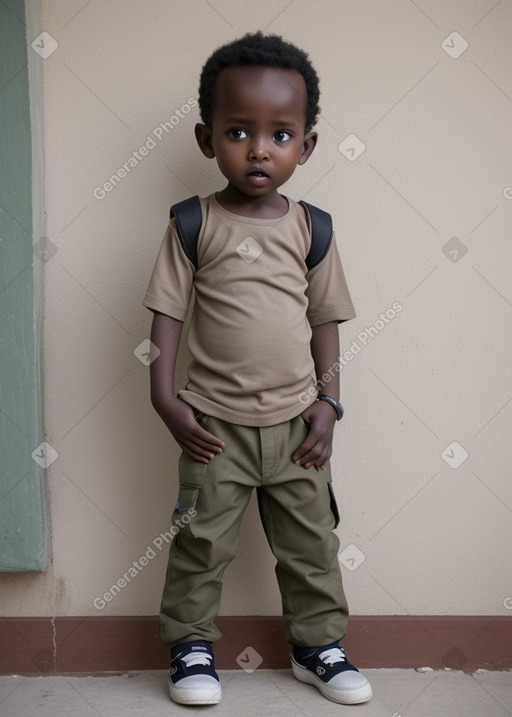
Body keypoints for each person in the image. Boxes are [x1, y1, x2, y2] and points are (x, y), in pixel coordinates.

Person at [143, 31, 372, 707]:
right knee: (200, 541)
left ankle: (317, 645)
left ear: (307, 146)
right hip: (213, 425)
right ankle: (190, 647)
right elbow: (166, 318)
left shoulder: (314, 229)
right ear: (207, 137)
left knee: (312, 545)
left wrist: (329, 405)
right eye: (239, 130)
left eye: (280, 134)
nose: (259, 149)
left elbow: (324, 322)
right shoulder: (192, 223)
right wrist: (164, 398)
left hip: (299, 425)